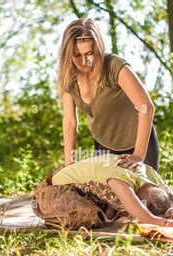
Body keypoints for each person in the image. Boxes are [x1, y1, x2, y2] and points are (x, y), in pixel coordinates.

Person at [57, 18, 160, 172]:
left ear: (98, 48)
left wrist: (138, 156)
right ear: (68, 54)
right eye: (77, 55)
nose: (84, 61)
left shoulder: (113, 65)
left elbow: (146, 107)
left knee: (149, 195)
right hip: (104, 146)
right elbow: (70, 122)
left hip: (138, 142)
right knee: (108, 195)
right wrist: (68, 164)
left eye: (89, 53)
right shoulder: (68, 78)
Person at [50, 153, 173, 231]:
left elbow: (172, 204)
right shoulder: (120, 182)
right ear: (143, 204)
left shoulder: (147, 173)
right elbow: (150, 219)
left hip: (96, 183)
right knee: (92, 218)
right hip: (55, 190)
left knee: (122, 208)